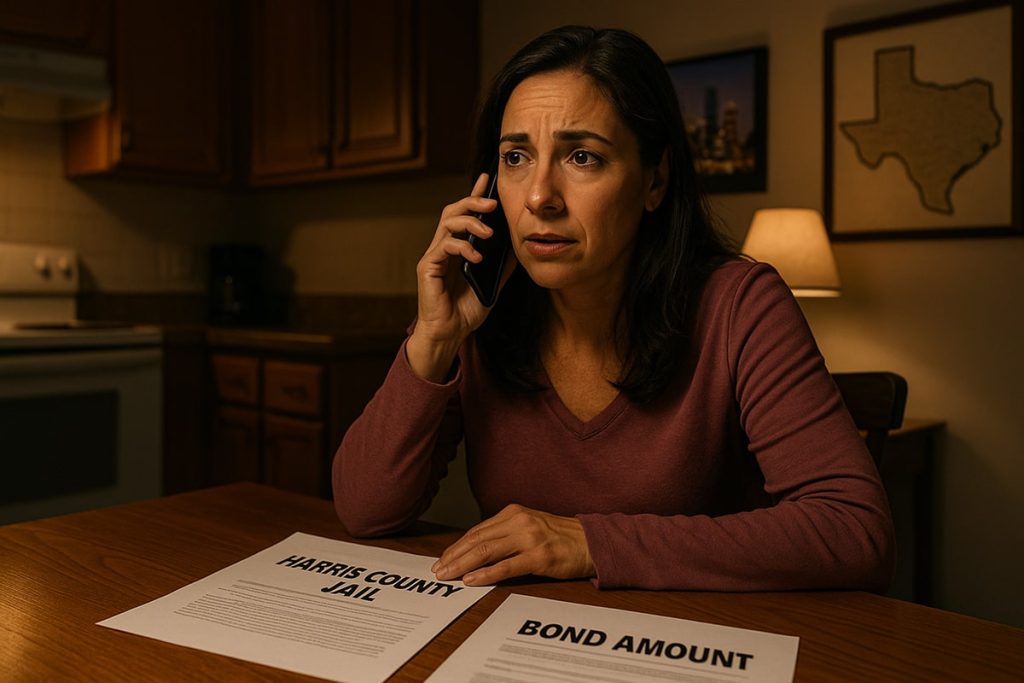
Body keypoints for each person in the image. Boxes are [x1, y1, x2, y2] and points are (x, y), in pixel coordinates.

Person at [332, 26, 895, 592]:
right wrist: (434, 339)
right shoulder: (476, 307)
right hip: (517, 632)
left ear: (655, 180)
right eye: (516, 157)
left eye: (582, 157)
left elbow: (853, 529)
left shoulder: (739, 304)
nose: (538, 197)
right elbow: (364, 510)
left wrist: (590, 542)